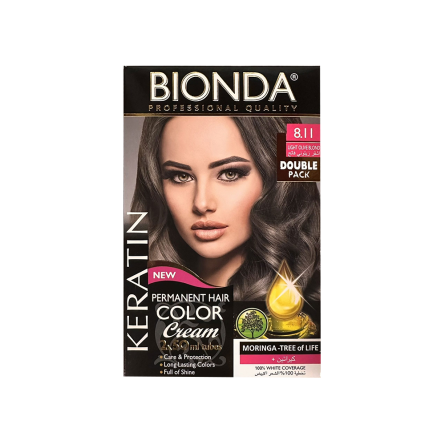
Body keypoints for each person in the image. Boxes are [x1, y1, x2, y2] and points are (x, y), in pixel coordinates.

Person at [132, 116, 320, 303]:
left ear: (277, 180)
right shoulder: (136, 300)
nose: (201, 203)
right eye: (181, 176)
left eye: (230, 174)